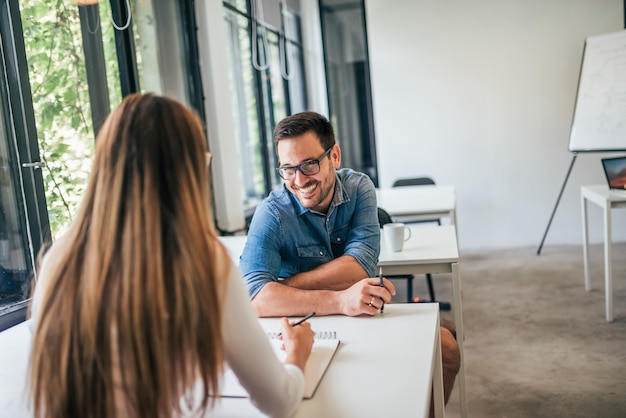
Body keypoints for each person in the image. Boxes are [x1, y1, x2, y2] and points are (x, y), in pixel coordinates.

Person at [28, 93, 314, 418]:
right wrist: (297, 353)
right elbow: (280, 402)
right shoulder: (202, 264)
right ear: (185, 172)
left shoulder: (58, 260)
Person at [240, 111, 460, 404]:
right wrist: (339, 299)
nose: (299, 179)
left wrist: (282, 288)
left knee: (447, 348)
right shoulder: (272, 213)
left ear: (335, 156)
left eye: (309, 164)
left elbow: (359, 269)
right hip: (302, 323)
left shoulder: (359, 189)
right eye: (288, 169)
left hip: (360, 312)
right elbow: (253, 299)